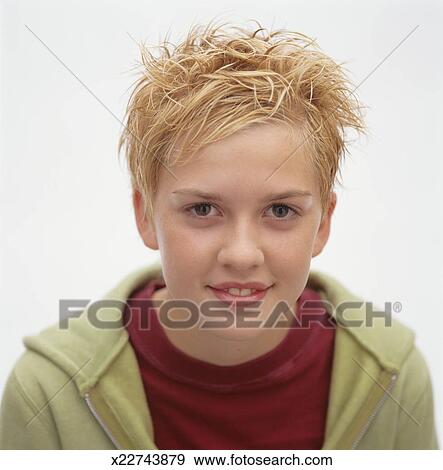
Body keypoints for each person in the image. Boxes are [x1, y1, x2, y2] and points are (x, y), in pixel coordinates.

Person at [0, 19, 439, 450]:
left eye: (281, 210)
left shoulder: (393, 376)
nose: (242, 255)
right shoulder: (46, 391)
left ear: (322, 225)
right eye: (203, 209)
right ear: (146, 216)